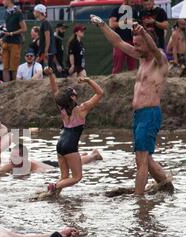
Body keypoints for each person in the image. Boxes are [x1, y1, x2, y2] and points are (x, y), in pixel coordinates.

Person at [91, 15, 174, 195]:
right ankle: (166, 184)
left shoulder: (159, 60)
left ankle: (139, 201)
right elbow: (118, 42)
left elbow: (153, 47)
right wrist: (102, 24)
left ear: (148, 42)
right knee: (146, 158)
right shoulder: (141, 57)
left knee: (141, 160)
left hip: (150, 114)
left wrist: (143, 31)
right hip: (139, 116)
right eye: (134, 43)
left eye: (138, 44)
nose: (135, 47)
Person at [44, 67, 104, 194]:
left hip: (60, 145)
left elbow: (55, 90)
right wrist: (88, 80)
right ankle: (54, 186)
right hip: (70, 146)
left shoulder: (62, 108)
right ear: (72, 97)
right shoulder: (82, 109)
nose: (76, 93)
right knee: (77, 177)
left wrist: (51, 75)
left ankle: (51, 195)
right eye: (75, 93)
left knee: (64, 176)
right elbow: (100, 93)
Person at [0, 144, 103, 176]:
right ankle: (80, 155)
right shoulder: (13, 163)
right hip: (43, 162)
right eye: (11, 156)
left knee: (74, 164)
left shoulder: (32, 167)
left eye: (15, 157)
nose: (12, 159)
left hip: (50, 167)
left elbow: (44, 172)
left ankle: (93, 155)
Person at [109, 0, 138, 74]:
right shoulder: (116, 10)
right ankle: (114, 83)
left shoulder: (134, 11)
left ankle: (133, 83)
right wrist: (126, 22)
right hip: (119, 42)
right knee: (117, 67)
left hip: (132, 42)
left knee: (132, 67)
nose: (134, 1)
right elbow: (111, 24)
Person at [0, 0, 27, 82]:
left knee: (14, 67)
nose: (2, 2)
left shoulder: (18, 13)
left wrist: (11, 33)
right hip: (6, 42)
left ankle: (15, 87)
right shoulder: (6, 13)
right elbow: (6, 26)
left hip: (15, 42)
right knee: (5, 67)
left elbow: (24, 29)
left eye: (4, 0)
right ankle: (6, 87)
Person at [33, 4, 56, 68]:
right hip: (45, 51)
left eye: (35, 11)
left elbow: (47, 38)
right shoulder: (44, 22)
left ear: (39, 12)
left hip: (46, 52)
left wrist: (46, 52)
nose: (33, 12)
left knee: (46, 71)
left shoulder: (45, 23)